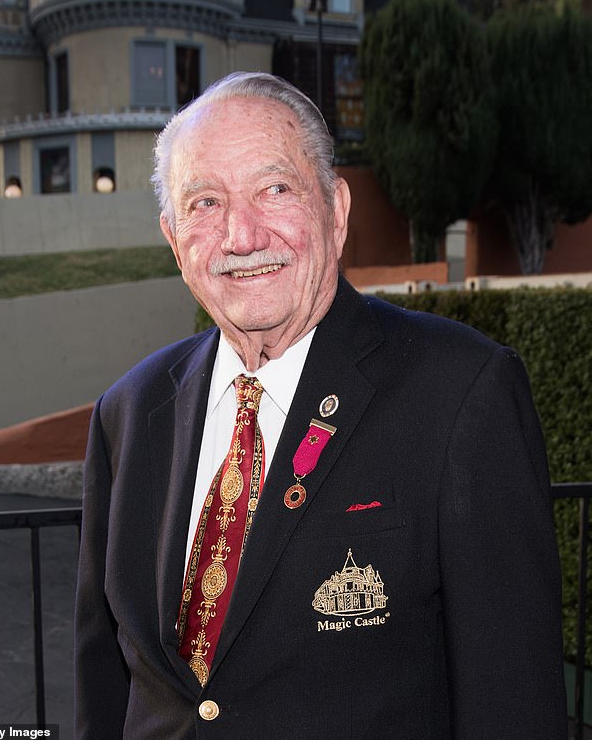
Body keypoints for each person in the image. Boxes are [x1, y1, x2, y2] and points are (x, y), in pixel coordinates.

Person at [74, 71, 568, 739]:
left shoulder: (462, 394)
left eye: (274, 189)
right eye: (205, 202)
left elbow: (513, 708)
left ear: (336, 212)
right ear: (173, 238)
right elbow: (104, 684)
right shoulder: (127, 413)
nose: (241, 235)